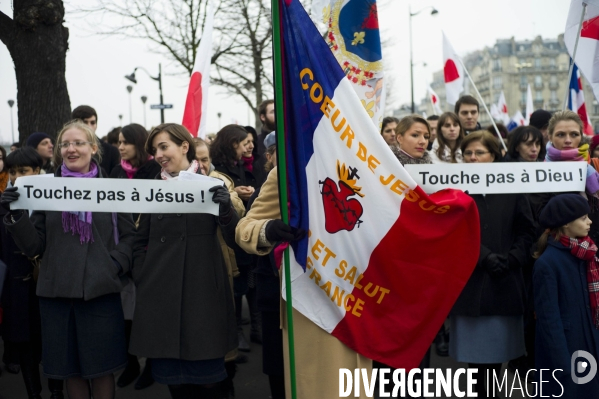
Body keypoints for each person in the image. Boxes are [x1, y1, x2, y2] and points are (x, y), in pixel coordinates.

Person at [0, 120, 136, 399]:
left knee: (101, 370)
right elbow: (34, 245)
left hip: (100, 291)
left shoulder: (113, 187)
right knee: (71, 371)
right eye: (65, 144)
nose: (71, 149)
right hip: (57, 295)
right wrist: (14, 215)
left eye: (78, 143)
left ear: (93, 148)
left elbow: (129, 237)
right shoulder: (44, 190)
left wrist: (114, 265)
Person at [235, 167, 372, 399]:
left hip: (357, 298)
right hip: (305, 301)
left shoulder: (370, 165)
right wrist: (268, 229)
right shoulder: (289, 169)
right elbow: (245, 228)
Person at [130, 123, 238, 399]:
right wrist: (143, 274)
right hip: (161, 295)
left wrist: (225, 208)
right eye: (155, 150)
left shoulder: (213, 183)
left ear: (184, 146)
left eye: (164, 146)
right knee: (175, 384)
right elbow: (139, 238)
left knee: (209, 382)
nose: (159, 155)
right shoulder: (152, 189)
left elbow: (234, 234)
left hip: (203, 292)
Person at [450, 130, 534, 397]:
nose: (473, 158)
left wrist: (512, 259)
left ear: (494, 155)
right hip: (472, 288)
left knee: (498, 364)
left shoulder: (512, 187)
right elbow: (452, 232)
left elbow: (526, 230)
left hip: (506, 285)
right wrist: (483, 256)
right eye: (468, 153)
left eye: (479, 153)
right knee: (477, 371)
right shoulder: (454, 190)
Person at [0, 147, 64, 399]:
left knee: (53, 342)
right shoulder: (4, 203)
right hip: (17, 288)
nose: (16, 177)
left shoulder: (53, 200)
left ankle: (57, 391)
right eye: (12, 171)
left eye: (23, 171)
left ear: (37, 171)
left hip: (49, 284)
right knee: (25, 345)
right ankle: (33, 393)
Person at [109, 123, 161, 391]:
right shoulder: (116, 172)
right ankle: (131, 363)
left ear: (139, 143)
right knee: (126, 314)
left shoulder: (154, 172)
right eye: (118, 142)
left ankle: (152, 365)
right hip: (124, 249)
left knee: (148, 312)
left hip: (150, 249)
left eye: (125, 142)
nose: (120, 147)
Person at [194, 136, 245, 398]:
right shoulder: (171, 186)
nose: (201, 165)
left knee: (222, 335)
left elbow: (238, 214)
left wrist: (227, 200)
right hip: (190, 273)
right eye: (196, 160)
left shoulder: (221, 181)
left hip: (220, 267)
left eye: (205, 159)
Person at [534, 194, 599, 397]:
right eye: (583, 218)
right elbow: (548, 319)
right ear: (565, 224)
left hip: (589, 341)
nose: (589, 222)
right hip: (568, 351)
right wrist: (563, 365)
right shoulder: (547, 264)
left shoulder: (587, 253)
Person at [211, 125, 260, 353]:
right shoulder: (218, 171)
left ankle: (256, 327)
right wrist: (234, 195)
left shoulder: (240, 165)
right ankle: (237, 330)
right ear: (233, 144)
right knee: (237, 287)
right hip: (231, 235)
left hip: (246, 231)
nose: (246, 148)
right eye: (243, 143)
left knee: (251, 282)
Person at [72, 105, 121, 176]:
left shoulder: (111, 151)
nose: (89, 126)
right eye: (85, 122)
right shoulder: (67, 148)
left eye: (92, 123)